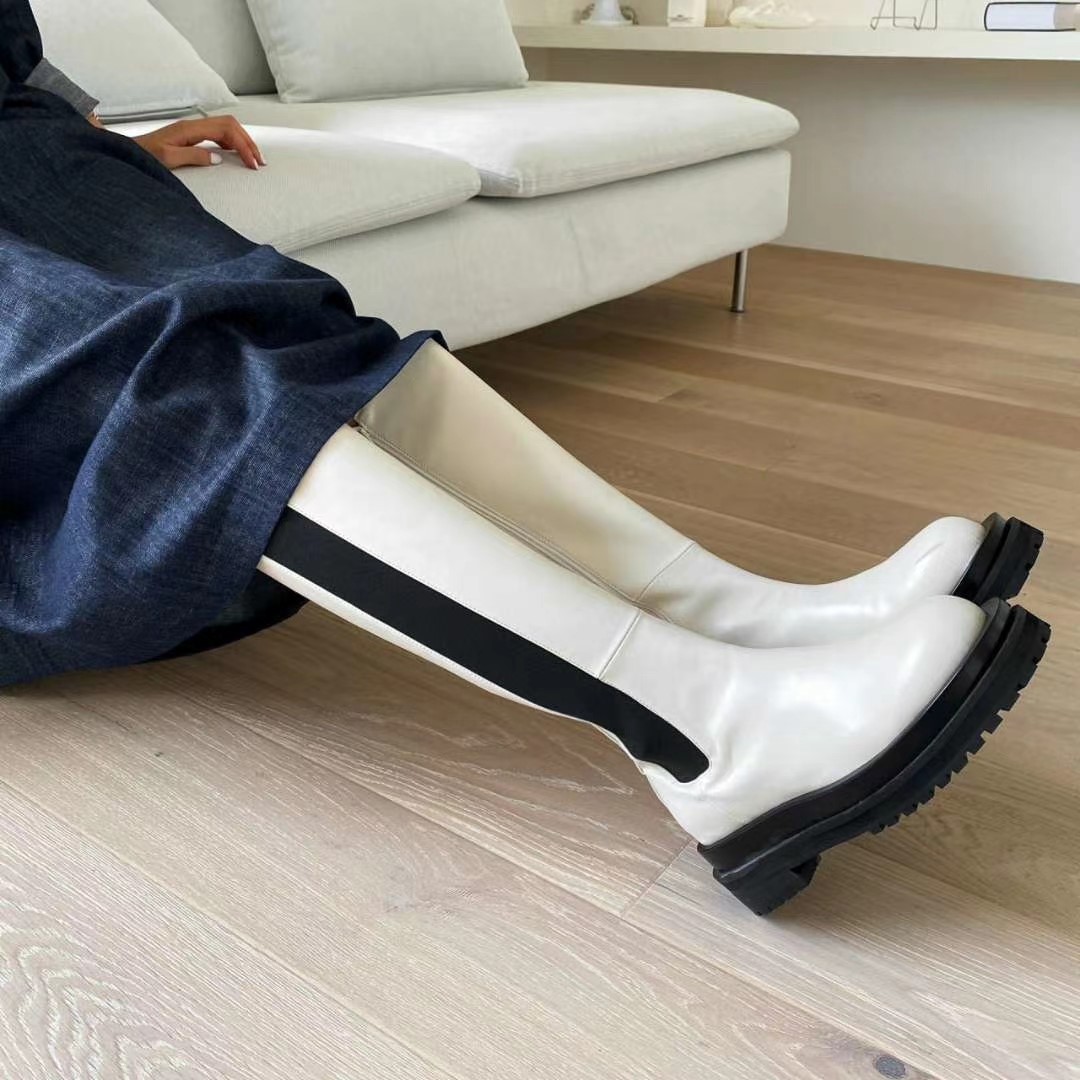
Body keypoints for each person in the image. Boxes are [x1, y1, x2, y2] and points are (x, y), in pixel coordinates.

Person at [0, 0, 1049, 915]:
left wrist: (98, 133)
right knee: (179, 392)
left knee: (286, 321)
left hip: (28, 142)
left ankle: (735, 615)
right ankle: (716, 735)